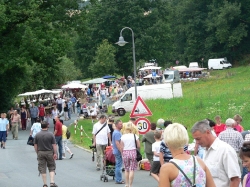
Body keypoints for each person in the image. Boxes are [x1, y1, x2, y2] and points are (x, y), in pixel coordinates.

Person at [192, 119, 241, 187]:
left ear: (208, 132)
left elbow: (235, 179)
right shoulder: (206, 150)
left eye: (198, 139)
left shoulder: (225, 150)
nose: (197, 142)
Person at [33, 122, 58, 187]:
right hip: (49, 152)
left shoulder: (37, 135)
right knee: (51, 166)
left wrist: (37, 152)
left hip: (40, 152)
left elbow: (35, 145)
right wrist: (55, 153)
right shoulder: (50, 134)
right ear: (47, 126)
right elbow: (54, 145)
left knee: (42, 167)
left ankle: (45, 184)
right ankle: (52, 182)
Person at [121, 122, 140, 187]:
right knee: (131, 169)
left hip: (125, 152)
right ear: (132, 129)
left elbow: (122, 146)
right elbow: (138, 145)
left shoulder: (123, 136)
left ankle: (126, 184)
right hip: (133, 152)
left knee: (126, 169)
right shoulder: (135, 136)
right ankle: (130, 185)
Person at [112, 120, 124, 184]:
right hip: (118, 151)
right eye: (120, 124)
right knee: (119, 166)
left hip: (116, 150)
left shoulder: (117, 132)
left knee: (118, 165)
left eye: (121, 124)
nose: (121, 125)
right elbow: (117, 143)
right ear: (116, 125)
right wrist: (121, 151)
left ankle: (118, 178)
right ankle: (118, 180)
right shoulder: (117, 133)